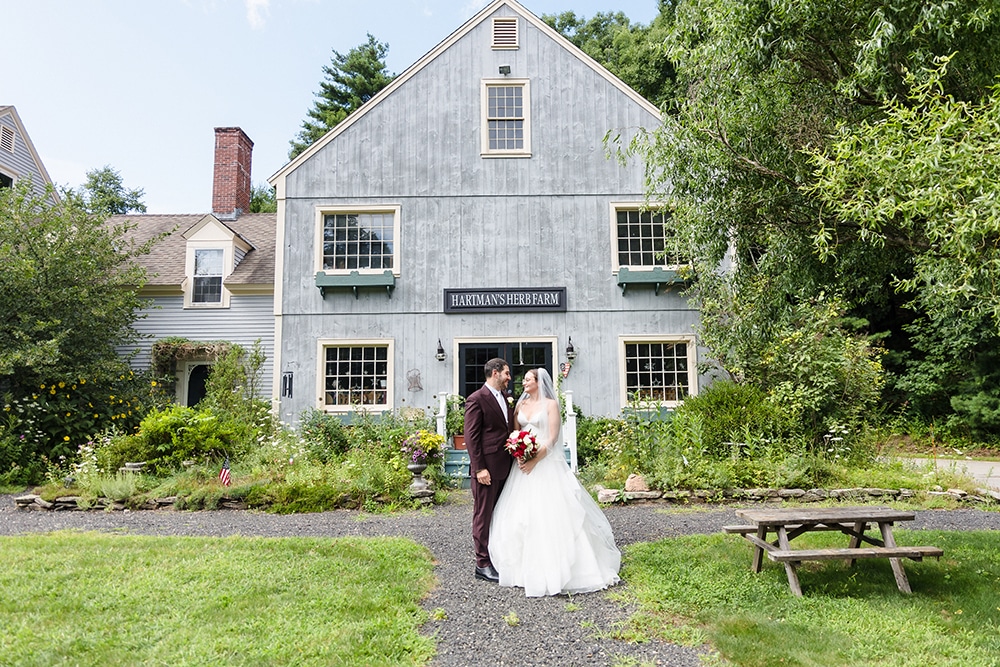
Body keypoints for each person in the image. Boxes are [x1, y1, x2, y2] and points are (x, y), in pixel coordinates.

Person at [489, 368, 621, 597]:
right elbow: (514, 435)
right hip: (522, 468)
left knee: (552, 513)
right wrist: (519, 453)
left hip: (546, 464)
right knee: (523, 515)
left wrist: (535, 460)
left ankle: (568, 569)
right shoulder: (520, 406)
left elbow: (552, 437)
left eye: (528, 380)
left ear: (539, 382)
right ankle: (523, 569)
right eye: (524, 380)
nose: (524, 383)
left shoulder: (550, 405)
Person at [464, 357, 515, 582]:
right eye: (506, 373)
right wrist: (479, 468)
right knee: (483, 514)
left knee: (500, 513)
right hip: (487, 470)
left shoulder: (505, 398)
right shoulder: (477, 399)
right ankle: (482, 564)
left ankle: (496, 556)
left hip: (506, 467)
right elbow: (471, 437)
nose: (509, 378)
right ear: (495, 373)